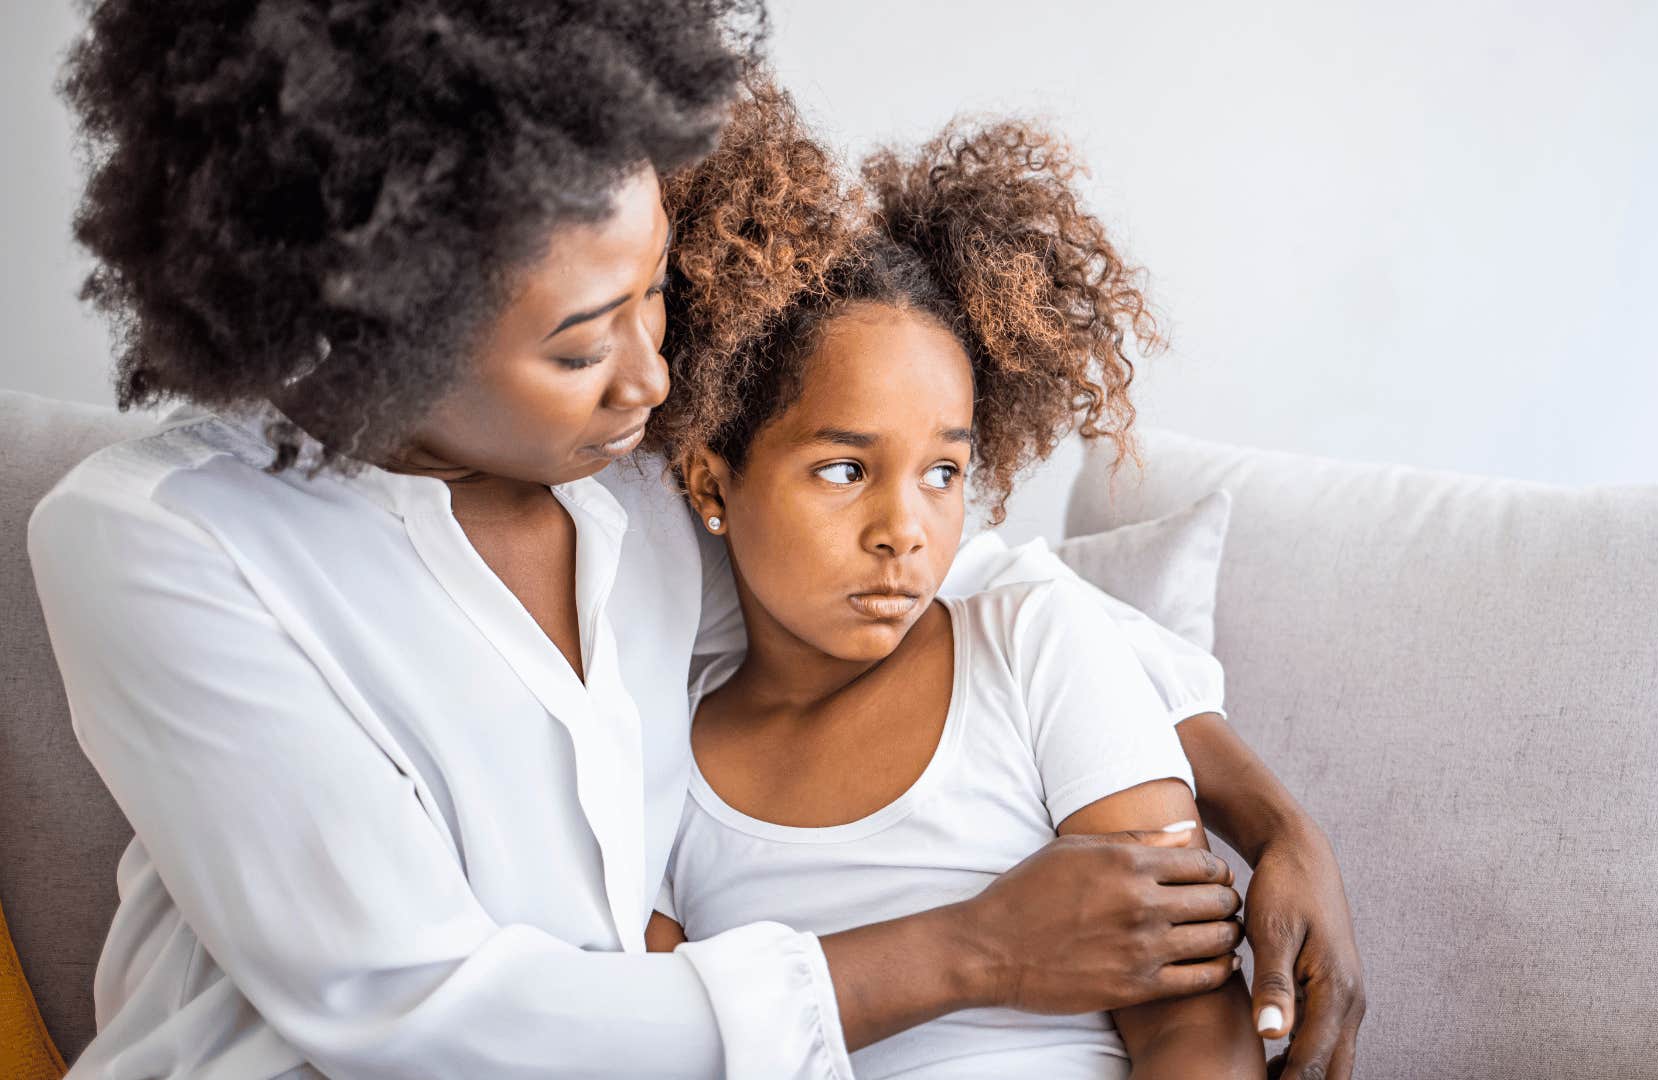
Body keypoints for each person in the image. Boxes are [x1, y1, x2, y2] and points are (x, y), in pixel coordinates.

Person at [31, 2, 1363, 1077]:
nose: (652, 377)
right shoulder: (161, 542)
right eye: (578, 343)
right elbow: (410, 1011)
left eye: (654, 293)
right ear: (373, 332)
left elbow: (971, 580)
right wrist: (970, 955)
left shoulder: (639, 485)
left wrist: (1278, 824)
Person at [641, 81, 1265, 1078]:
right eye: (844, 471)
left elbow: (1196, 1025)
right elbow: (658, 1048)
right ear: (712, 482)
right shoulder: (659, 758)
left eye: (944, 473)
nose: (905, 531)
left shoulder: (1032, 643)